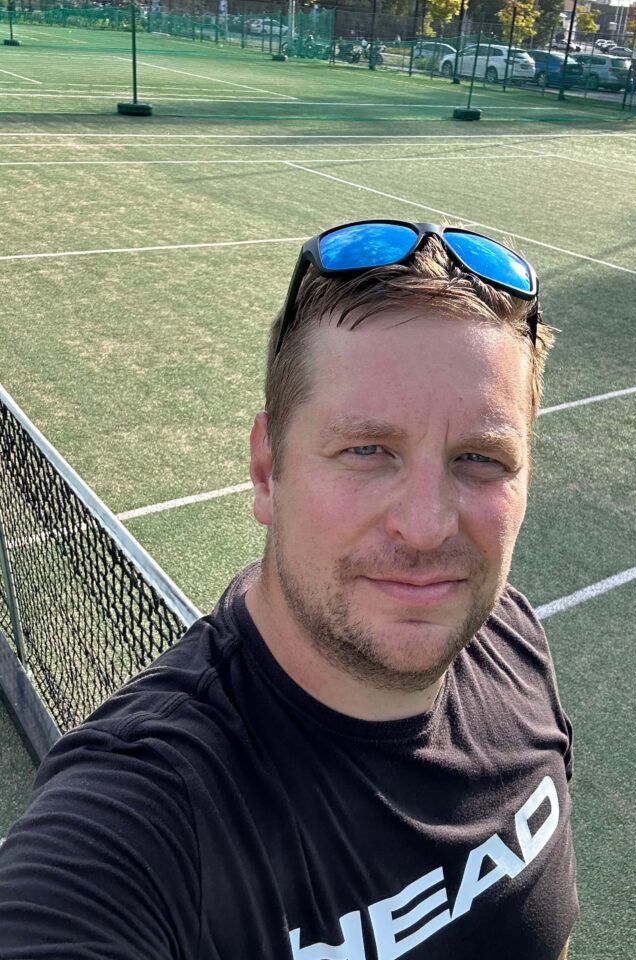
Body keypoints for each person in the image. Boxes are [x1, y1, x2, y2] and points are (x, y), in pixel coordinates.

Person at [0, 220, 578, 959]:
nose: (427, 525)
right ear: (268, 470)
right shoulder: (148, 814)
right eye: (367, 449)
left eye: (482, 458)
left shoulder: (513, 640)